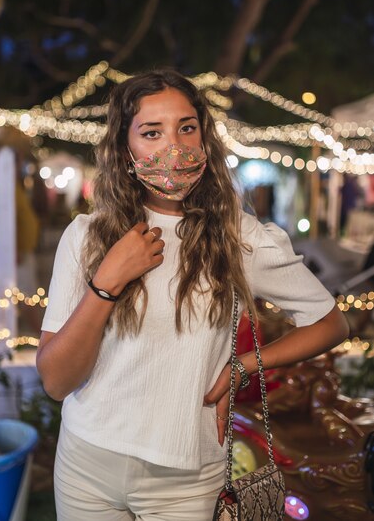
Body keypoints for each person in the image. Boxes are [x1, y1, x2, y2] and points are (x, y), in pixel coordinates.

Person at [36, 69, 349, 521]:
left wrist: (242, 366)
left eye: (186, 128)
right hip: (86, 464)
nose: (174, 147)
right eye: (151, 132)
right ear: (125, 150)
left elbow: (329, 322)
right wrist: (106, 283)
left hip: (184, 480)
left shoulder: (237, 237)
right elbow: (56, 381)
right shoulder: (87, 237)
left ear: (204, 137)